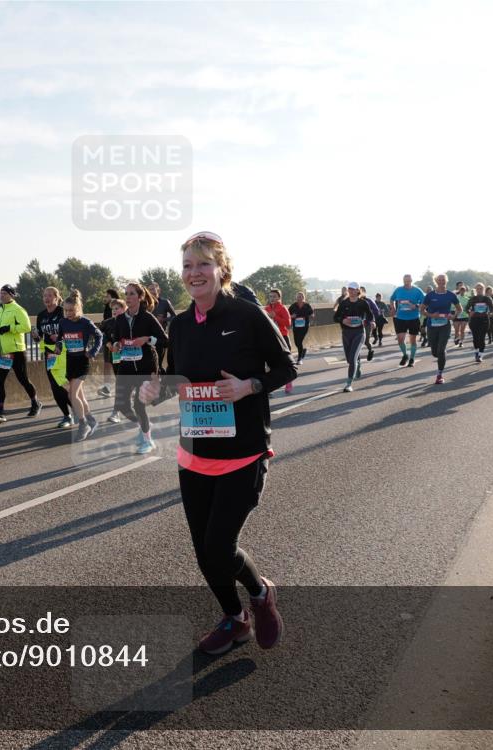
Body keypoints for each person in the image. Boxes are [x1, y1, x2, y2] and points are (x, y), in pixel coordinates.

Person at [139, 230, 295, 655]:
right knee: (204, 553)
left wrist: (250, 385)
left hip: (243, 452)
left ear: (221, 269)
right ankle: (236, 619)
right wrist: (158, 390)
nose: (194, 273)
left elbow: (286, 367)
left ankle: (261, 595)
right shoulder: (181, 324)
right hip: (194, 454)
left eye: (203, 264)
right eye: (188, 266)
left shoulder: (247, 315)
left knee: (218, 546)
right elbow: (180, 379)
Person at [112, 282, 166, 453]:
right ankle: (145, 425)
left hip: (146, 366)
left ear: (140, 297)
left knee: (139, 404)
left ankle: (148, 441)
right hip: (126, 366)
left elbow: (165, 340)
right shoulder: (119, 319)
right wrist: (115, 344)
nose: (128, 297)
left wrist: (147, 339)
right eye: (126, 293)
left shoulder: (147, 318)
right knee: (122, 405)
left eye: (132, 294)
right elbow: (115, 338)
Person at [0, 284, 42, 423]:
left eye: (4, 293)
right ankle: (0, 411)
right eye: (0, 293)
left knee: (23, 379)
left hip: (17, 351)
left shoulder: (18, 309)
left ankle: (35, 403)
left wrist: (9, 328)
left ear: (11, 295)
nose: (1, 295)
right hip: (3, 352)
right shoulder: (0, 309)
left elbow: (27, 327)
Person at [56, 290, 103, 441]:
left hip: (83, 360)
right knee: (79, 395)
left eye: (71, 310)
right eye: (66, 310)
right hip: (70, 361)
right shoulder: (63, 322)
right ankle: (91, 420)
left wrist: (93, 351)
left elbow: (99, 336)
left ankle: (83, 424)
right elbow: (60, 337)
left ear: (78, 309)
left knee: (73, 394)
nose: (68, 313)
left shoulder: (85, 322)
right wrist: (58, 345)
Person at [34, 286, 74, 429]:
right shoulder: (41, 315)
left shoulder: (63, 312)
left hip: (64, 352)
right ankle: (67, 415)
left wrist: (59, 337)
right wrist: (36, 336)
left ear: (57, 297)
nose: (47, 298)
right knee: (54, 386)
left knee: (64, 383)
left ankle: (77, 409)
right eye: (44, 295)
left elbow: (72, 329)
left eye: (50, 295)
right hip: (50, 354)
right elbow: (39, 337)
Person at [420, 274, 462, 384]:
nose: (441, 281)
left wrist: (453, 316)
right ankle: (441, 354)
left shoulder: (451, 295)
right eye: (439, 280)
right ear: (436, 281)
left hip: (445, 326)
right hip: (432, 326)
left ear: (446, 281)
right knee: (434, 352)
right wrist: (431, 315)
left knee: (441, 350)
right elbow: (422, 310)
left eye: (443, 280)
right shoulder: (430, 295)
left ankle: (439, 375)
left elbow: (459, 309)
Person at [333, 282, 373, 392]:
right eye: (349, 289)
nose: (350, 291)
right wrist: (343, 320)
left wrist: (365, 321)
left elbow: (370, 316)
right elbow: (335, 318)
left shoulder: (363, 303)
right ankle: (358, 364)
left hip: (359, 333)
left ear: (357, 291)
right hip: (346, 333)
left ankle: (349, 384)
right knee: (349, 359)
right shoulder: (344, 303)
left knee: (352, 359)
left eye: (353, 289)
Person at [390, 274, 426, 366]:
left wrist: (416, 306)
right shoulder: (398, 290)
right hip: (400, 318)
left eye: (408, 281)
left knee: (412, 340)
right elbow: (392, 299)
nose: (407, 283)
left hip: (413, 318)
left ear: (411, 281)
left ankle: (412, 359)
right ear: (403, 281)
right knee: (400, 339)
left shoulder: (417, 291)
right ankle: (405, 355)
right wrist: (393, 308)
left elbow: (424, 302)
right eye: (405, 281)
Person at [103, 297, 128, 423]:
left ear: (124, 309)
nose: (114, 311)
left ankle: (117, 411)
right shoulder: (107, 323)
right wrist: (109, 344)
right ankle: (116, 411)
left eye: (117, 308)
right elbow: (102, 336)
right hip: (116, 357)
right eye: (112, 309)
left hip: (131, 357)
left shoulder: (130, 321)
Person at [263, 289, 293, 392]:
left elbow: (288, 324)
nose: (272, 299)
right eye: (270, 296)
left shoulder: (283, 308)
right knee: (268, 363)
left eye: (274, 296)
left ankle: (288, 382)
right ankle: (269, 387)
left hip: (282, 337)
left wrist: (276, 317)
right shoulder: (266, 309)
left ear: (279, 298)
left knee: (285, 362)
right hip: (270, 338)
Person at [98, 288, 121, 397]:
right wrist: (107, 342)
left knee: (119, 365)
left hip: (120, 345)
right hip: (108, 341)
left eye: (107, 296)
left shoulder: (121, 307)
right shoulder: (107, 309)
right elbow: (101, 329)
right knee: (107, 364)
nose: (105, 298)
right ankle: (107, 387)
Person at [464, 283, 493, 363]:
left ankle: (480, 354)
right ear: (475, 290)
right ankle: (476, 351)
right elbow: (466, 308)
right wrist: (469, 312)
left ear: (483, 289)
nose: (479, 290)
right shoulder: (473, 299)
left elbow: (492, 308)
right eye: (478, 289)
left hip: (484, 320)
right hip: (474, 320)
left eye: (481, 288)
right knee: (475, 338)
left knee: (482, 338)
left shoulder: (487, 298)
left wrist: (490, 313)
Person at [287, 291, 315, 365]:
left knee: (299, 341)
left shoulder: (307, 305)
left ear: (303, 298)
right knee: (296, 342)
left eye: (301, 297)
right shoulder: (293, 306)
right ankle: (303, 350)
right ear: (296, 298)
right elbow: (287, 315)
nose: (299, 298)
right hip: (296, 326)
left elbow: (312, 313)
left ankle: (299, 358)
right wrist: (291, 316)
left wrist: (312, 315)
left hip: (304, 326)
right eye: (298, 297)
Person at [359, 286, 380, 362]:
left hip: (367, 323)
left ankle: (370, 350)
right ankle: (356, 358)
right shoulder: (354, 301)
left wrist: (373, 321)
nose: (359, 293)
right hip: (357, 324)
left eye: (361, 291)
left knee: (366, 341)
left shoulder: (369, 301)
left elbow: (376, 311)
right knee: (357, 341)